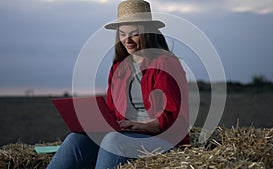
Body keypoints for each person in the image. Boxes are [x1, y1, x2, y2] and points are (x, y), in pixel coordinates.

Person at [47, 0, 189, 168]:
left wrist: (142, 126)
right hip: (126, 133)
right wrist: (100, 123)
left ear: (148, 33)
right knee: (75, 138)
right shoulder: (119, 68)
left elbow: (174, 117)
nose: (127, 40)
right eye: (122, 34)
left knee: (113, 140)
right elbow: (113, 111)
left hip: (161, 137)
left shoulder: (165, 63)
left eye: (134, 33)